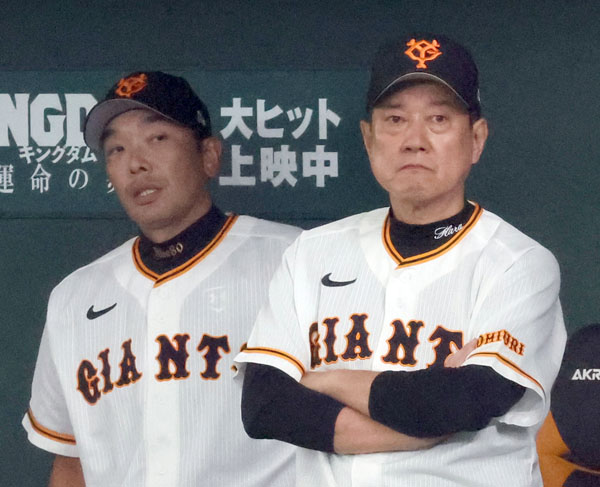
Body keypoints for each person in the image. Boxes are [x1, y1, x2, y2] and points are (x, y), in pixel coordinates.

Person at [235, 34, 566, 486]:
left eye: (438, 119)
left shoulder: (519, 263)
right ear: (368, 138)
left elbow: (464, 401)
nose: (414, 140)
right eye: (395, 119)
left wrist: (328, 380)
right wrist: (419, 429)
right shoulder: (311, 253)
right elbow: (265, 405)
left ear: (476, 139)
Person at [22, 71, 299, 487]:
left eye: (157, 138)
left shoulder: (293, 261)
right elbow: (70, 462)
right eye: (117, 148)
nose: (136, 163)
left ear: (209, 155)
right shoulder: (74, 298)